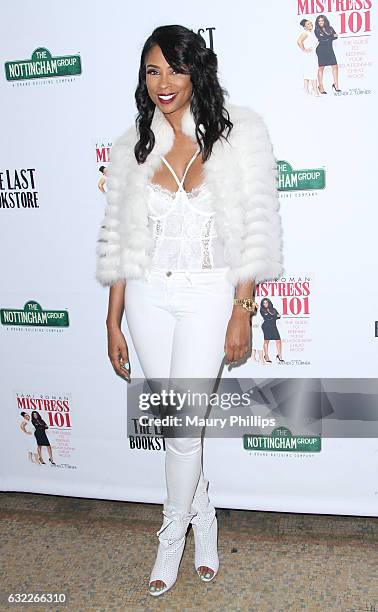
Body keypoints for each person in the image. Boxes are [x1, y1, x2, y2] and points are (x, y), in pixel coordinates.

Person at [96, 25, 284, 597]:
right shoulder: (135, 145)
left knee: (181, 427)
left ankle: (170, 534)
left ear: (195, 70)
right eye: (152, 72)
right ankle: (205, 520)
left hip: (208, 295)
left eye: (173, 70)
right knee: (181, 427)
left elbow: (254, 231)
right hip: (149, 297)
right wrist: (113, 318)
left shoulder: (239, 134)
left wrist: (242, 310)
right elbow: (121, 239)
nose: (163, 84)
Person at [314, 14, 341, 94]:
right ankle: (321, 86)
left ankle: (336, 85)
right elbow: (322, 39)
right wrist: (331, 36)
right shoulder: (316, 30)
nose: (321, 22)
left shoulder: (330, 28)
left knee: (335, 66)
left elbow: (336, 36)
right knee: (321, 67)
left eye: (322, 20)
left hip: (330, 49)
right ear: (317, 22)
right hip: (321, 50)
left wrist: (328, 36)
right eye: (319, 21)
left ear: (325, 21)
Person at [297, 19, 320, 96]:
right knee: (313, 71)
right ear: (304, 27)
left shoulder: (311, 33)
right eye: (308, 24)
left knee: (309, 71)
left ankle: (306, 89)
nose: (310, 25)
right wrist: (304, 49)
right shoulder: (305, 33)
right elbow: (299, 41)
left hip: (312, 55)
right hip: (308, 56)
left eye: (311, 23)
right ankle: (315, 90)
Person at [260, 298, 284, 364]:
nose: (265, 304)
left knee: (278, 340)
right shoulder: (262, 310)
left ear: (269, 303)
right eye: (264, 303)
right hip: (266, 326)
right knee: (266, 341)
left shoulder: (273, 309)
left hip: (273, 326)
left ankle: (279, 356)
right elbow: (267, 317)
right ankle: (266, 356)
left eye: (266, 302)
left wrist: (274, 316)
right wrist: (274, 316)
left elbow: (279, 316)